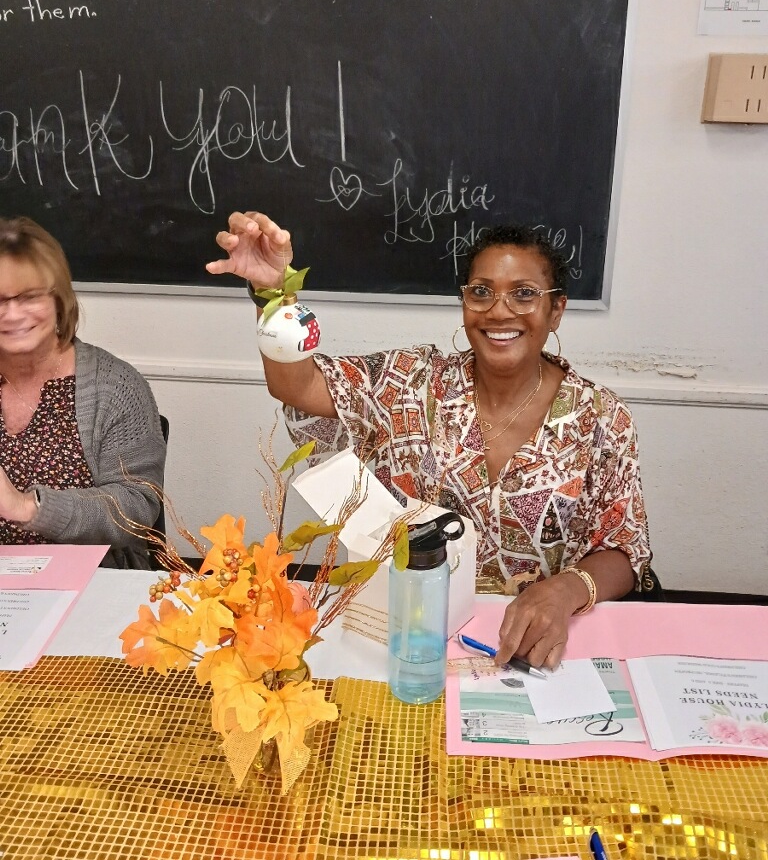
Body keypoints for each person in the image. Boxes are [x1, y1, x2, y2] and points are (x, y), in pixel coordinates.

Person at [207, 211, 651, 669]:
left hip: (532, 647)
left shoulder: (602, 417)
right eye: (481, 292)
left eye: (524, 294)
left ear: (556, 309)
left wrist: (565, 591)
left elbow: (625, 548)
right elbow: (298, 386)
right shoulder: (411, 383)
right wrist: (274, 293)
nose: (499, 310)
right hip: (409, 637)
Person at [0, 217, 166, 569]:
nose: (12, 315)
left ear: (59, 299)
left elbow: (136, 508)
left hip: (97, 577)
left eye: (28, 297)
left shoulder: (116, 386)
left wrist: (26, 507)